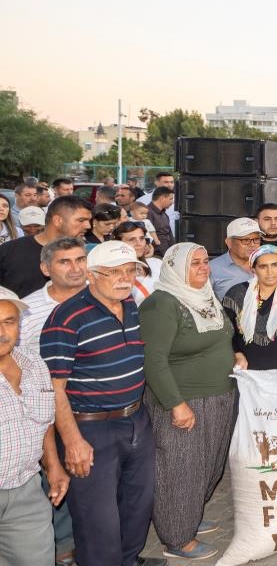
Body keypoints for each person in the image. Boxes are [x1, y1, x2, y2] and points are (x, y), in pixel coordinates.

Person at [42, 241, 163, 566]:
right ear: (92, 276)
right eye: (114, 272)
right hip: (90, 429)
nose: (124, 278)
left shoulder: (131, 306)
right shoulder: (66, 318)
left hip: (135, 419)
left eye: (130, 270)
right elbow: (54, 388)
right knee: (99, 523)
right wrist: (72, 441)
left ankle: (127, 561)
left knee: (137, 507)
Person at [138, 242, 240, 561]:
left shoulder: (206, 296)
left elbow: (220, 337)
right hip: (184, 400)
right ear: (175, 267)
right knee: (180, 469)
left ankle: (189, 516)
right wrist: (175, 404)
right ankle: (178, 537)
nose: (203, 267)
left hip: (219, 396)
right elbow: (153, 360)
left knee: (208, 465)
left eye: (205, 261)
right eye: (194, 263)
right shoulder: (163, 304)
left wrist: (235, 354)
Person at [0, 286, 69, 566]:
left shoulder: (34, 363)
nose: (3, 332)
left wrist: (53, 466)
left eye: (9, 321)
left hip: (26, 490)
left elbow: (43, 420)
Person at [0, 196, 91, 297]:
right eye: (81, 220)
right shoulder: (9, 251)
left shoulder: (87, 253)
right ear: (58, 221)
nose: (88, 226)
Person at [209, 217, 262, 299]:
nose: (252, 244)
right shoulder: (212, 268)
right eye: (245, 240)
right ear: (229, 242)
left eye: (256, 239)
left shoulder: (267, 264)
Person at [112, 221, 162, 302]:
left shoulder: (157, 263)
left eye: (142, 238)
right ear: (118, 243)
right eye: (131, 239)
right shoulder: (112, 273)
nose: (139, 244)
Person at [145, 186, 176, 256]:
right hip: (157, 254)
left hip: (167, 253)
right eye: (171, 199)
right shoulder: (147, 212)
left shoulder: (164, 214)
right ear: (162, 199)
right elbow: (147, 235)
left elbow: (169, 234)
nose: (172, 202)